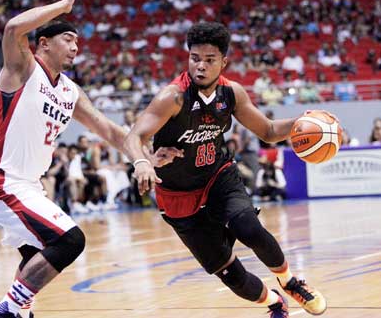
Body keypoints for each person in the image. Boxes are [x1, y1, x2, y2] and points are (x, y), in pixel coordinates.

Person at [0, 0, 182, 318]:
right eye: (68, 39)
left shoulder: (70, 91)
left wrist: (144, 157)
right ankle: (4, 313)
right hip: (0, 180)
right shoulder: (23, 68)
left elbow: (112, 132)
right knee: (70, 241)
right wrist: (62, 7)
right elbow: (11, 29)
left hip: (28, 186)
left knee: (35, 259)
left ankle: (16, 312)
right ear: (43, 43)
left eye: (77, 42)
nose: (74, 48)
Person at [124, 22, 328, 318]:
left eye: (209, 60)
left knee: (248, 227)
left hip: (218, 178)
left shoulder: (232, 94)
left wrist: (302, 122)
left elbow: (269, 131)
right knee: (232, 276)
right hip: (178, 196)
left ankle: (290, 282)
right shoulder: (173, 97)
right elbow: (135, 136)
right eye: (195, 58)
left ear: (224, 62)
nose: (201, 66)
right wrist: (144, 161)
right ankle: (274, 302)